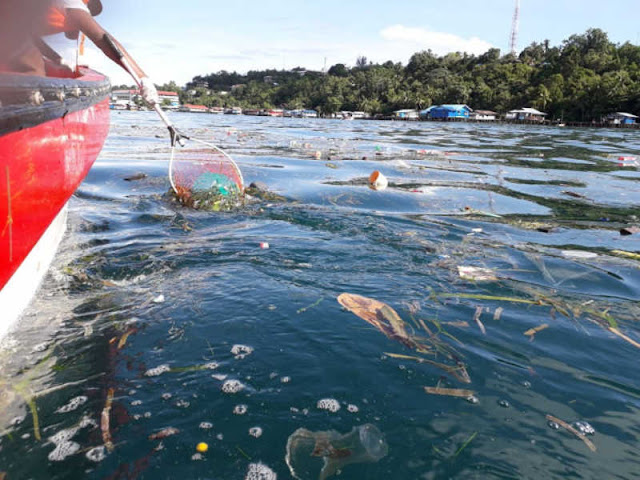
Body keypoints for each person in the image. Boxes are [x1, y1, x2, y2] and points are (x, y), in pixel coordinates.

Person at [3, 0, 159, 106]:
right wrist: (142, 77)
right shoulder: (73, 3)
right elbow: (103, 39)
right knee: (32, 68)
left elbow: (31, 37)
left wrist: (58, 59)